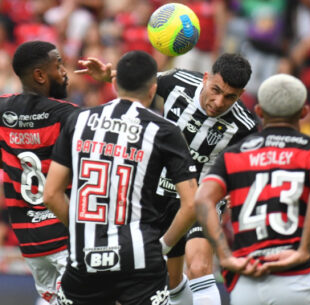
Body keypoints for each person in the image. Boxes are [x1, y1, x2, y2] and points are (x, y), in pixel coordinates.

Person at [76, 52, 257, 305]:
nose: (218, 102)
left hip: (201, 195)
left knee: (199, 266)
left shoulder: (246, 126)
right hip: (156, 191)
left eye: (230, 97)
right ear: (206, 77)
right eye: (215, 90)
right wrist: (108, 76)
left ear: (241, 95)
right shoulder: (176, 81)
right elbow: (138, 84)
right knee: (171, 281)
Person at [43, 50, 198, 305]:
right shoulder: (165, 131)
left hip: (85, 257)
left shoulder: (77, 120)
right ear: (153, 89)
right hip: (141, 257)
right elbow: (191, 204)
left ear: (114, 84)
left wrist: (82, 230)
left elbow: (50, 194)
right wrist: (163, 247)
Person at [195, 74, 310, 305]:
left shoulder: (233, 154)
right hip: (295, 275)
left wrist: (225, 257)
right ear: (304, 112)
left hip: (246, 280)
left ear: (259, 112)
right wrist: (304, 249)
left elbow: (202, 198)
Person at [0, 40, 78, 304]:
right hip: (66, 236)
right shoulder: (68, 115)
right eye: (58, 65)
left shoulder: (0, 110)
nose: (64, 71)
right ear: (40, 75)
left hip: (30, 241)